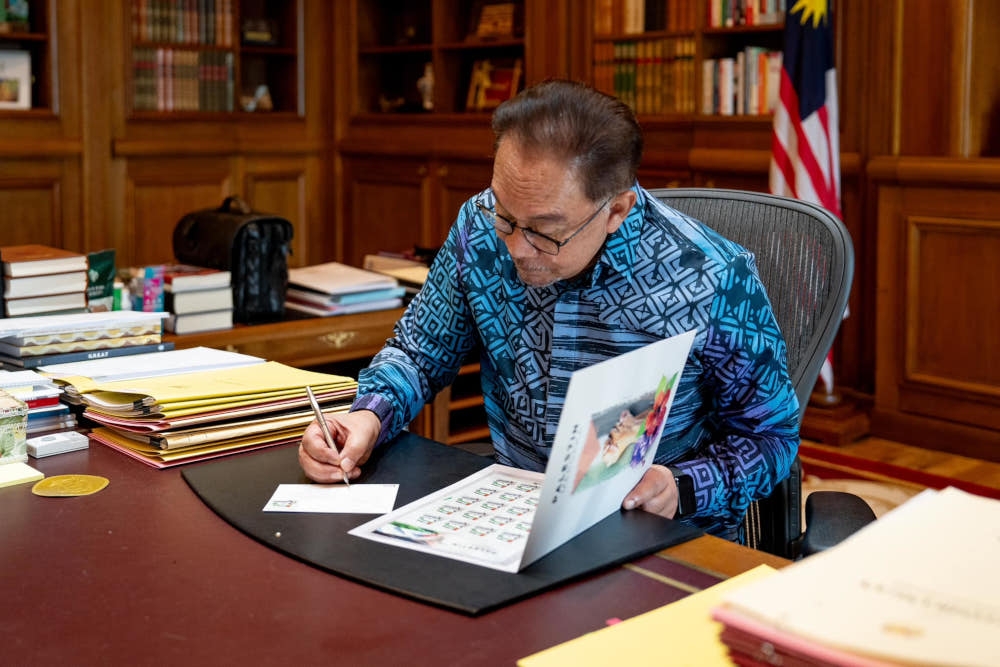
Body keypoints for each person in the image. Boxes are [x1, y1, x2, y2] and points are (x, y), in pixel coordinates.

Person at [300, 79, 800, 542]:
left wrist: (681, 486)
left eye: (544, 230)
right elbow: (418, 352)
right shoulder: (479, 230)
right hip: (508, 518)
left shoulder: (711, 276)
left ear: (616, 211)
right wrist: (369, 415)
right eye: (506, 215)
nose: (517, 247)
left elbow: (769, 436)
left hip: (654, 536)